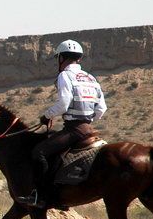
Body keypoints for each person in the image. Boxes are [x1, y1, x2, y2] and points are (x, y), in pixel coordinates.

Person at [16, 40, 107, 209]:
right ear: (78, 58)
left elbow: (64, 104)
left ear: (62, 58)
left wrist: (46, 115)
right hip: (89, 128)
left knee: (39, 152)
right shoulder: (91, 77)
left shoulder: (65, 75)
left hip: (74, 130)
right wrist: (88, 119)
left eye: (59, 58)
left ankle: (41, 196)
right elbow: (102, 108)